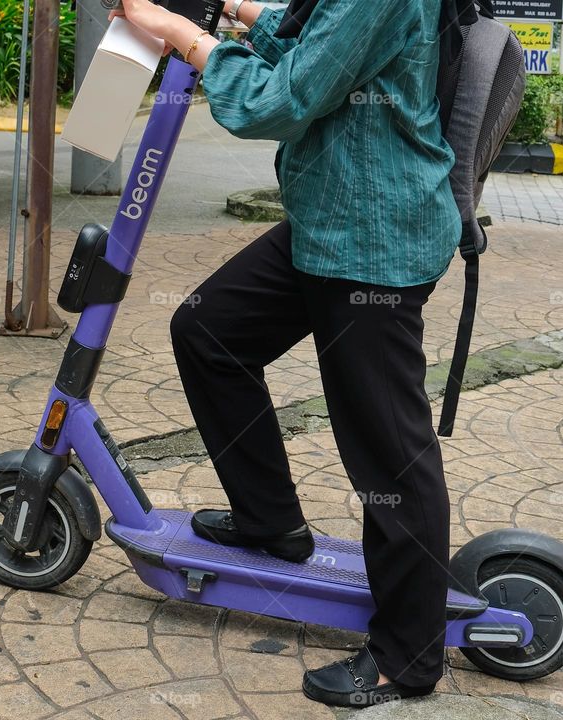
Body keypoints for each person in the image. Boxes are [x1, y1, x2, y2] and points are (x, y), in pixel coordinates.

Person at [113, 0, 461, 708]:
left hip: (372, 241)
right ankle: (270, 521)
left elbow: (284, 98)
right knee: (211, 332)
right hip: (330, 218)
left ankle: (408, 656)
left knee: (387, 448)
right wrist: (243, 11)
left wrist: (185, 37)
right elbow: (319, 47)